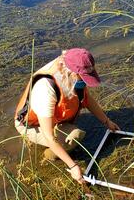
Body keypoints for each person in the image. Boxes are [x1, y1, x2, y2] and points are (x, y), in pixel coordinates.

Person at [14, 48, 120, 184]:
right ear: (72, 73)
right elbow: (50, 137)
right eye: (83, 78)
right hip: (32, 126)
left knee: (72, 127)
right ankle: (49, 155)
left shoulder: (74, 65)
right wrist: (73, 166)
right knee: (75, 135)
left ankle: (62, 135)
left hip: (54, 116)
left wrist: (107, 121)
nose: (86, 82)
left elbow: (87, 99)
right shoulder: (46, 88)